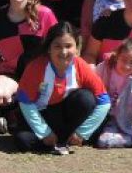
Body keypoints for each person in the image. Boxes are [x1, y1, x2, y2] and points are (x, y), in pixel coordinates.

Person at [15, 22, 110, 154]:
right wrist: (44, 132)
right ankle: (56, 141)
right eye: (58, 46)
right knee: (23, 140)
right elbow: (25, 102)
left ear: (77, 48)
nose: (64, 52)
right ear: (49, 48)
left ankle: (69, 139)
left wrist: (82, 132)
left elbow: (104, 102)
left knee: (86, 98)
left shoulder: (80, 66)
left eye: (68, 46)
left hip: (65, 116)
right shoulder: (36, 67)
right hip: (42, 114)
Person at [0, 0, 58, 115]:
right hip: (13, 72)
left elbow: (59, 46)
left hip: (42, 74)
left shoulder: (45, 14)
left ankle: (16, 113)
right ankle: (13, 110)